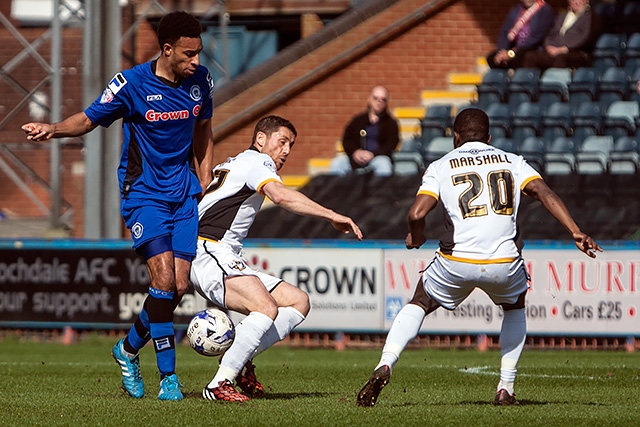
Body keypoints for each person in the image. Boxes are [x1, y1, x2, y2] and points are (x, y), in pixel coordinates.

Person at [21, 11, 215, 401]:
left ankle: (126, 350)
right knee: (161, 282)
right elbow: (90, 119)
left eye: (198, 53)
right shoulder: (131, 84)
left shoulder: (201, 81)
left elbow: (204, 128)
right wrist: (54, 128)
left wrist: (205, 176)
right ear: (167, 49)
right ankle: (169, 379)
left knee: (177, 287)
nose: (196, 61)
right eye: (189, 54)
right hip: (144, 194)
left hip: (184, 194)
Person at [356, 108, 602, 407]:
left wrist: (416, 236)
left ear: (454, 137)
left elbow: (416, 213)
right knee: (515, 307)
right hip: (504, 262)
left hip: (456, 261)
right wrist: (575, 230)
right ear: (489, 137)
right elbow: (543, 192)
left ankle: (386, 363)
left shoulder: (441, 165)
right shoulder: (513, 161)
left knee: (420, 301)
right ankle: (505, 387)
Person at [190, 115, 363, 402]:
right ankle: (219, 383)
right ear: (260, 139)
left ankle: (241, 361)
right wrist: (332, 214)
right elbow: (280, 196)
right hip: (209, 250)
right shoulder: (259, 162)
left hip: (221, 252)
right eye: (282, 141)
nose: (286, 150)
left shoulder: (238, 162)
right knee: (265, 307)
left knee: (298, 301)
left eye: (291, 145)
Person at [329, 86, 400, 177]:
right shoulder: (358, 120)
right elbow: (347, 140)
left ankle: (382, 191)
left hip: (377, 158)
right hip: (356, 158)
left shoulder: (391, 123)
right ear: (369, 99)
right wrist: (355, 152)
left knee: (384, 165)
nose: (379, 102)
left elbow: (391, 144)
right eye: (375, 98)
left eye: (383, 100)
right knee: (337, 163)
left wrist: (373, 154)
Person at [522, 0, 602, 70]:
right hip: (554, 50)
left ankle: (555, 86)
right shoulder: (562, 15)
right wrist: (548, 46)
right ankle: (527, 85)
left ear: (586, 1)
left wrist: (564, 49)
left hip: (575, 52)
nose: (575, 2)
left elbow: (586, 38)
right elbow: (551, 33)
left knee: (560, 58)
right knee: (531, 56)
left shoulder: (591, 17)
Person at [486, 0, 555, 69]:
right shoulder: (516, 10)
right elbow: (505, 32)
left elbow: (535, 38)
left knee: (522, 58)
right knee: (492, 58)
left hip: (531, 50)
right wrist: (502, 51)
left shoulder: (545, 10)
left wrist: (511, 53)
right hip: (513, 49)